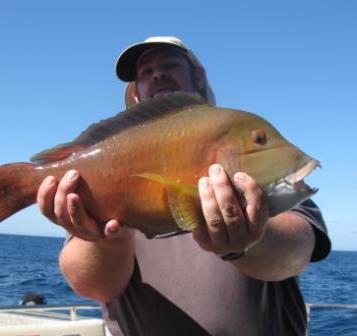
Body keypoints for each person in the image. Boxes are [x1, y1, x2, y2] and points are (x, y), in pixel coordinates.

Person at [37, 36, 331, 336]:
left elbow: (297, 252)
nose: (158, 74)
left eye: (169, 64)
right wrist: (106, 239)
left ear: (199, 77)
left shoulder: (249, 153)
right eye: (145, 71)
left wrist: (252, 238)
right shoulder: (108, 163)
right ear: (135, 94)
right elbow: (94, 287)